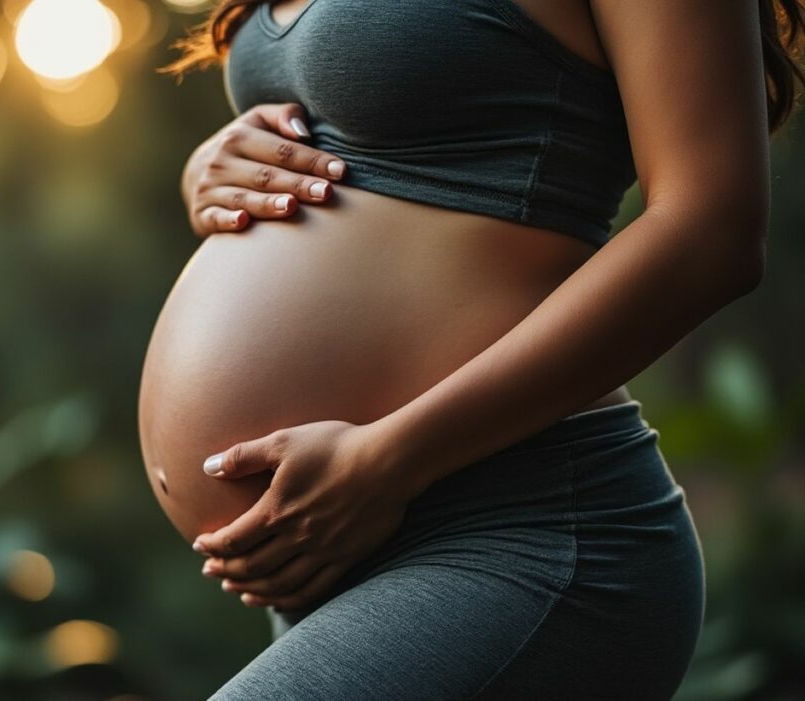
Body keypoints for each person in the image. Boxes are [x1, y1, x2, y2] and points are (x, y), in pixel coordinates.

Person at [145, 1, 805, 698]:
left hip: (515, 533)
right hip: (330, 550)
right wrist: (210, 172)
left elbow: (713, 228)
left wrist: (393, 459)